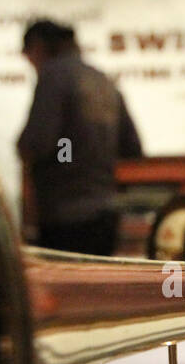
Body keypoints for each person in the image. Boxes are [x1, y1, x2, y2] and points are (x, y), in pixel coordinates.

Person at [17, 19, 142, 255]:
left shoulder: (54, 76)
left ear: (38, 46)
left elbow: (36, 143)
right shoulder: (102, 80)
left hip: (63, 217)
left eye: (29, 55)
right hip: (105, 214)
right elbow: (132, 148)